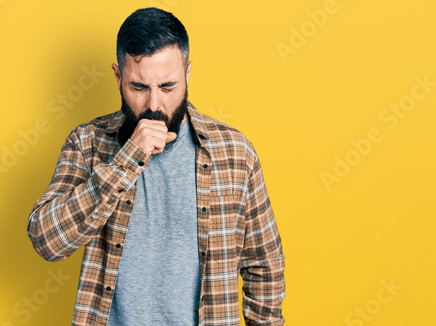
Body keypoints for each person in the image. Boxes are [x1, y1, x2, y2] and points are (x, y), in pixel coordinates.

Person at [27, 7, 285, 326]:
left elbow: (264, 265)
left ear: (187, 74)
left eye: (167, 87)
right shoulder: (87, 143)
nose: (153, 104)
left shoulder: (233, 152)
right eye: (138, 87)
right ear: (118, 76)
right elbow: (47, 241)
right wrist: (127, 158)